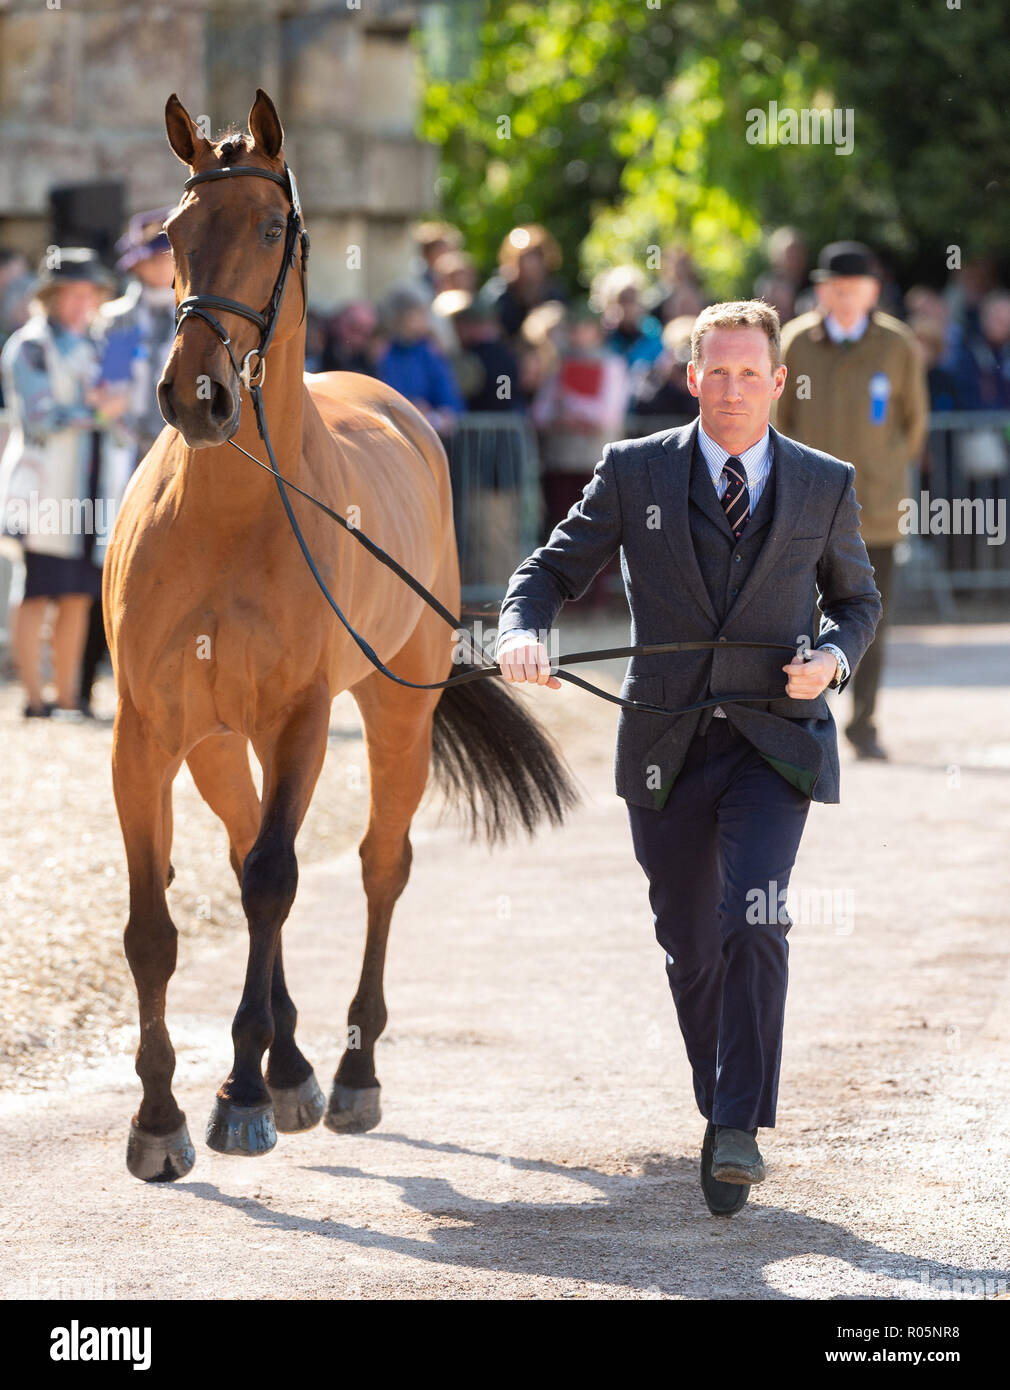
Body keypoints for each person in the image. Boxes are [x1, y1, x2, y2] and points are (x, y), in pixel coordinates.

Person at [495, 299, 881, 1216]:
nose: (735, 389)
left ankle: (739, 1125)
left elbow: (858, 604)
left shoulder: (824, 483)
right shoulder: (636, 472)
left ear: (779, 381)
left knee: (756, 915)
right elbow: (549, 570)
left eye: (754, 373)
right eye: (719, 372)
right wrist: (521, 630)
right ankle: (721, 1105)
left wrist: (831, 660)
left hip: (774, 746)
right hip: (666, 743)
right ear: (691, 376)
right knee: (688, 939)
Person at [774, 242, 928, 760]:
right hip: (807, 508)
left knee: (870, 618)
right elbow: (780, 421)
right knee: (796, 620)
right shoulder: (795, 343)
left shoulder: (897, 344)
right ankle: (800, 718)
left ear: (872, 292)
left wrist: (884, 469)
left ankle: (863, 724)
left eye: (854, 289)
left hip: (878, 510)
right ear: (820, 290)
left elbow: (914, 422)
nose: (844, 297)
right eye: (835, 289)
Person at [0, 248, 132, 719]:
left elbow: (125, 417)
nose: (80, 302)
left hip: (96, 484)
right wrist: (96, 411)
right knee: (37, 589)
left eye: (88, 293)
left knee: (80, 592)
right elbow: (37, 418)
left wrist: (111, 412)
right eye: (70, 293)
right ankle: (34, 698)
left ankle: (69, 695)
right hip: (45, 486)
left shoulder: (108, 344)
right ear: (52, 297)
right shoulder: (30, 344)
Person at [375, 286, 464, 435]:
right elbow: (381, 390)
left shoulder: (429, 351)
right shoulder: (383, 352)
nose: (425, 320)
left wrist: (447, 410)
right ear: (399, 317)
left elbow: (446, 390)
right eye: (417, 314)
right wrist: (408, 407)